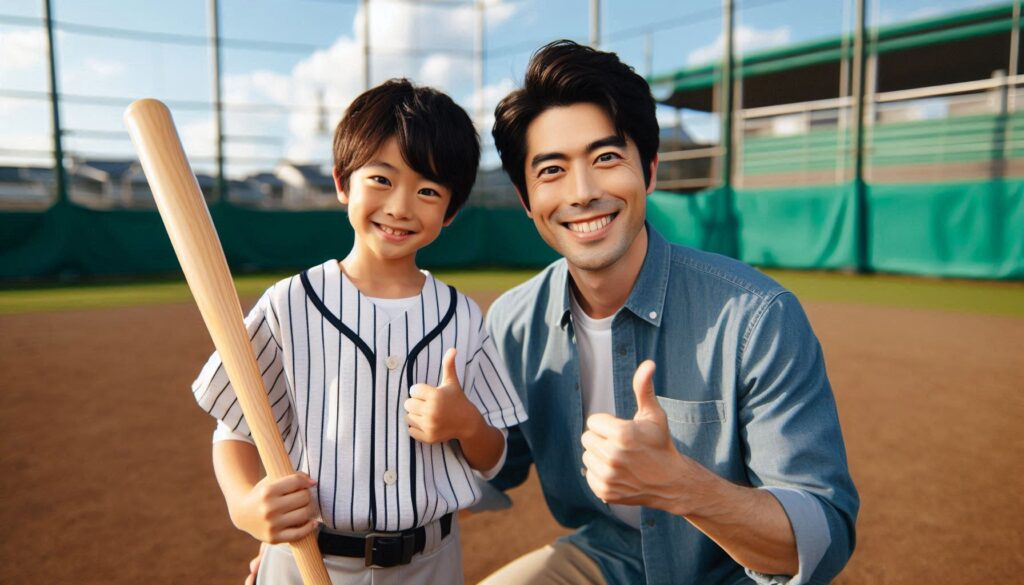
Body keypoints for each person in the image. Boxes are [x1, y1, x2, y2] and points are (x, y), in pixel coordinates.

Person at [477, 40, 859, 584]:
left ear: (649, 171)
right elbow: (501, 464)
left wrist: (682, 485)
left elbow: (824, 535)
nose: (582, 192)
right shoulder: (512, 322)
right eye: (552, 170)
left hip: (736, 575)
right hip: (607, 559)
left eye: (606, 158)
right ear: (525, 198)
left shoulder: (757, 317)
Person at [193, 78, 526, 585]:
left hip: (432, 562)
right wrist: (244, 505)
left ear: (451, 210)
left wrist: (467, 425)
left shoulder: (462, 316)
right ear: (343, 182)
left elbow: (495, 457)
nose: (400, 206)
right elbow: (235, 429)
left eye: (428, 190)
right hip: (306, 559)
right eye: (382, 179)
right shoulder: (290, 303)